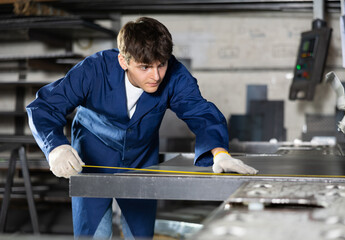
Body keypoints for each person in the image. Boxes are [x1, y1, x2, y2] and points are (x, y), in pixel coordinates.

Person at [26, 17, 258, 239]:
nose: (156, 76)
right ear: (123, 61)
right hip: (92, 154)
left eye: (161, 65)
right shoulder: (93, 70)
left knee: (141, 233)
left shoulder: (175, 76)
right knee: (93, 232)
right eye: (145, 67)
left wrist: (219, 152)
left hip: (141, 157)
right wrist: (56, 147)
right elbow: (44, 107)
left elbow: (200, 111)